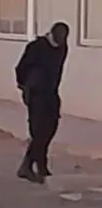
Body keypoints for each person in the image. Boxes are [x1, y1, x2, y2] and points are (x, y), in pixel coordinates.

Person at [14, 21, 69, 183]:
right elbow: (20, 68)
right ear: (52, 34)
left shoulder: (62, 48)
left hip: (51, 92)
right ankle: (31, 166)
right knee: (38, 130)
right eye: (59, 38)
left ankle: (36, 163)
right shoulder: (36, 47)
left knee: (51, 127)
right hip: (35, 92)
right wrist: (25, 87)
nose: (61, 41)